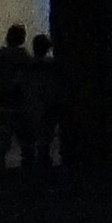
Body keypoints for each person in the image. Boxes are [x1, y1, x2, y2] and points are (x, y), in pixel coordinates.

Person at [0, 20, 35, 170]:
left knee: (1, 146)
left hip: (0, 105)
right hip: (20, 105)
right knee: (27, 145)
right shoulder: (24, 58)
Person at [28, 30, 65, 172]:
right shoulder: (52, 66)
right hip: (49, 103)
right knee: (47, 135)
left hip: (33, 103)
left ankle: (38, 161)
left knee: (39, 135)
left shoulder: (28, 66)